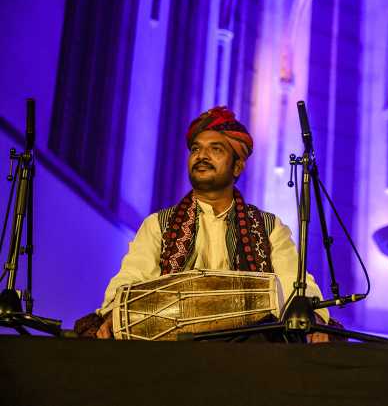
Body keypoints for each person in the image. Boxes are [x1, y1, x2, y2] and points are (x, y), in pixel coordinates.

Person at [95, 106, 329, 341]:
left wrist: (314, 319)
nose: (201, 156)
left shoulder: (269, 227)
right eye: (196, 149)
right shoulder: (159, 224)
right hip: (172, 349)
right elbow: (132, 276)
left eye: (215, 149)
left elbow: (293, 282)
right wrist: (113, 315)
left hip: (248, 349)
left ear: (237, 166)